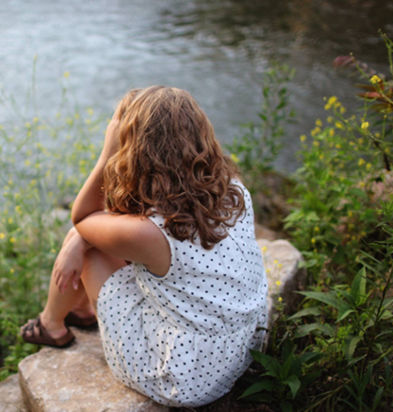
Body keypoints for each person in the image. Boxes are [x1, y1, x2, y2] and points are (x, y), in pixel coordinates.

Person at [20, 86, 268, 407]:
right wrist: (84, 234)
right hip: (241, 347)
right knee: (90, 236)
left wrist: (107, 151)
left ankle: (51, 325)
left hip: (185, 377)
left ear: (135, 148)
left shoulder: (151, 233)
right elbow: (118, 223)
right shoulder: (232, 190)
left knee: (89, 246)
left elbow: (82, 217)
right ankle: (80, 311)